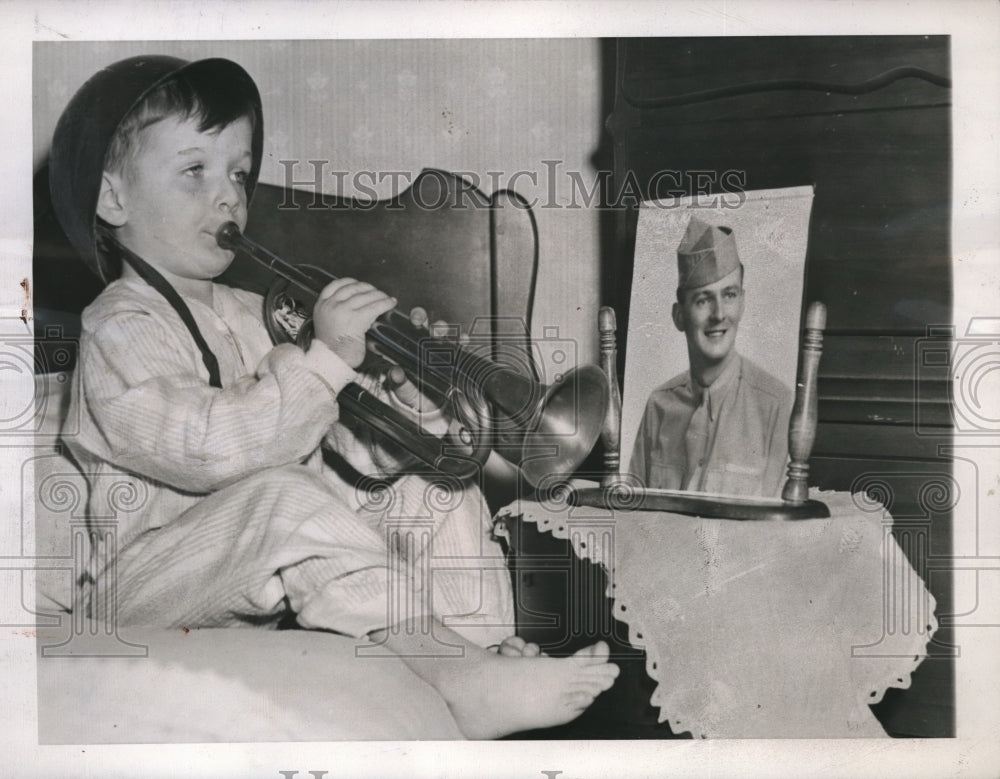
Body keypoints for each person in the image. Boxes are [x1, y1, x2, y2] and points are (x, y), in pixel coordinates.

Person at [49, 54, 617, 739]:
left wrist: (409, 407)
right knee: (282, 495)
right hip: (142, 586)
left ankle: (476, 657)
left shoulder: (246, 308)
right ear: (113, 199)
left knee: (437, 478)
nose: (229, 194)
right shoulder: (118, 322)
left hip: (244, 566)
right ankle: (454, 666)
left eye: (238, 170)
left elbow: (336, 456)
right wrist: (324, 359)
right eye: (194, 169)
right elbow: (208, 447)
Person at [630, 216, 792, 498]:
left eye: (729, 295)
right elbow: (632, 517)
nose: (719, 314)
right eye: (703, 300)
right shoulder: (659, 405)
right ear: (679, 316)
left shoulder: (776, 405)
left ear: (742, 303)